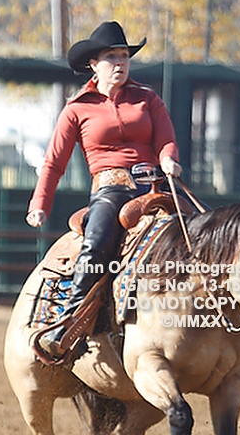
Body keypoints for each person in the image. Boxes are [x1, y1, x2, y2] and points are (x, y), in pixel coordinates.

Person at [26, 20, 182, 360]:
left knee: (202, 233)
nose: (120, 63)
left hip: (155, 186)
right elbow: (53, 163)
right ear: (94, 64)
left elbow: (166, 139)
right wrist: (40, 204)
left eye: (124, 56)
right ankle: (69, 323)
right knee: (96, 245)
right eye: (112, 57)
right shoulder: (77, 108)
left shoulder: (148, 99)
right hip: (112, 189)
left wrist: (168, 159)